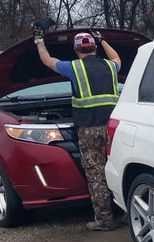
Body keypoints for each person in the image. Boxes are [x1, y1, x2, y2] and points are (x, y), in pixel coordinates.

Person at [35, 27, 121, 231]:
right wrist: (104, 41)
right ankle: (126, 212)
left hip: (89, 130)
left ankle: (104, 220)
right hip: (114, 129)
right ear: (94, 48)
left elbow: (47, 60)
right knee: (118, 168)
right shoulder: (110, 67)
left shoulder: (73, 68)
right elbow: (118, 58)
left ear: (76, 51)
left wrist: (39, 40)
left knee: (96, 174)